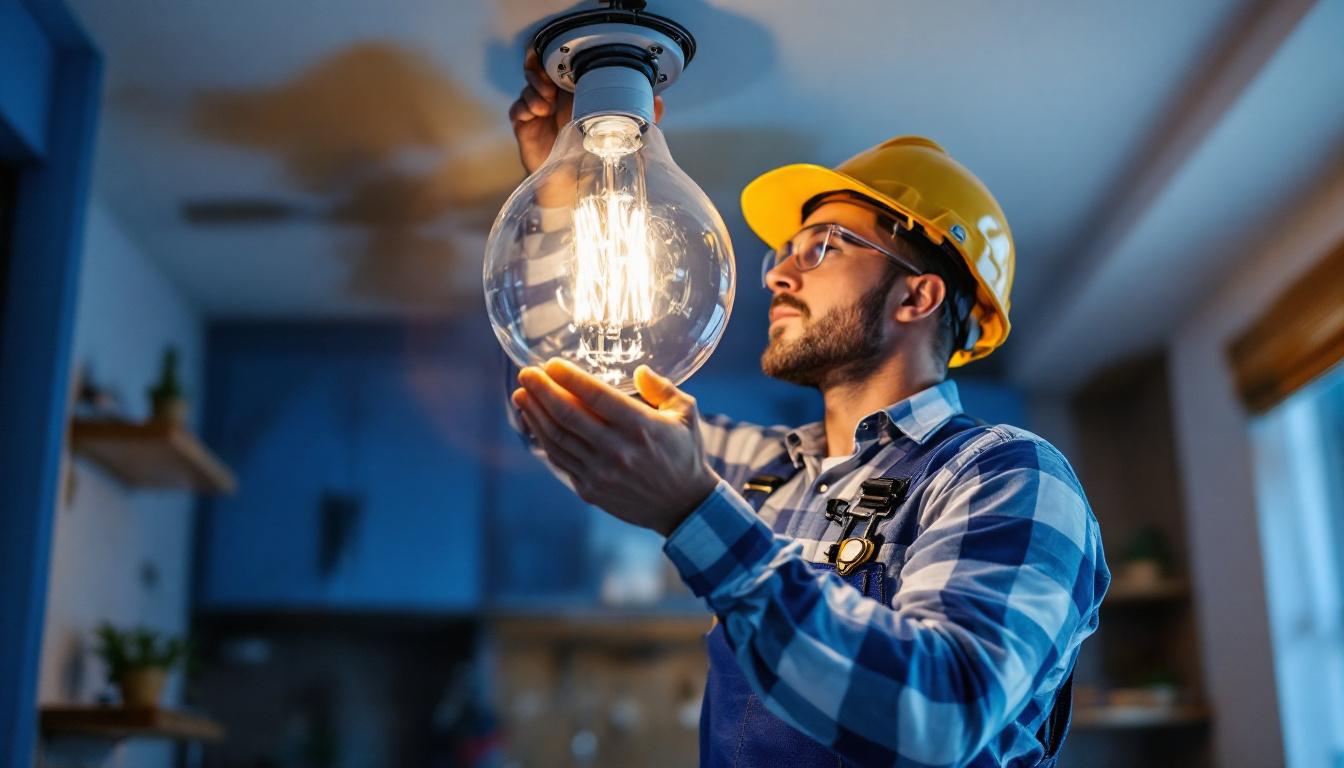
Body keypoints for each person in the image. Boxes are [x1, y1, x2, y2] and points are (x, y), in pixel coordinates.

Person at [506, 50, 1109, 767]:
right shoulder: (769, 471)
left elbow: (939, 715)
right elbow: (566, 408)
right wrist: (569, 204)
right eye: (783, 252)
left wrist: (697, 513)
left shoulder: (1005, 475)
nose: (781, 273)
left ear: (917, 296)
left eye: (822, 247)